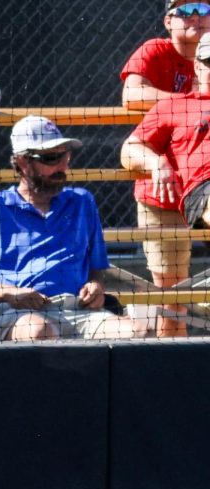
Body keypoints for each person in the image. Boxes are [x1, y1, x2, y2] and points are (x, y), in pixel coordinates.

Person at [0, 116, 139, 341]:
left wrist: (96, 286)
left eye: (66, 155)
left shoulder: (82, 202)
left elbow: (95, 270)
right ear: (22, 162)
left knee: (138, 332)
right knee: (39, 332)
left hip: (80, 309)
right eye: (51, 158)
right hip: (21, 312)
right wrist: (10, 293)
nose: (62, 166)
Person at [119, 0, 210, 336]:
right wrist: (187, 103)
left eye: (203, 8)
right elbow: (132, 96)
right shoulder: (155, 50)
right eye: (185, 10)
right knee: (172, 297)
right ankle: (173, 372)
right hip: (166, 193)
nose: (196, 17)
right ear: (168, 20)